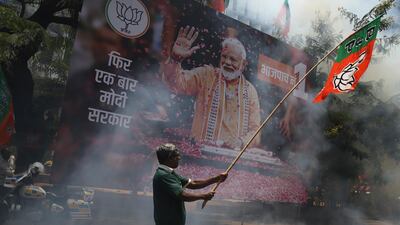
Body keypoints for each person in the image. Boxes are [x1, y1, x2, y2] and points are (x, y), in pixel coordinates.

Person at [162, 26, 261, 149]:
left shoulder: (250, 91)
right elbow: (176, 84)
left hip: (231, 160)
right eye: (224, 57)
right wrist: (175, 59)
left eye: (233, 59)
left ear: (244, 64)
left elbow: (255, 130)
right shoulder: (206, 75)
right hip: (198, 153)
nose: (227, 62)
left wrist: (241, 142)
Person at [153, 143, 227, 225]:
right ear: (169, 158)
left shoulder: (169, 173)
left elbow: (193, 183)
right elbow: (182, 195)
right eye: (176, 156)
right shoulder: (164, 175)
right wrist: (203, 196)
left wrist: (216, 179)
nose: (179, 158)